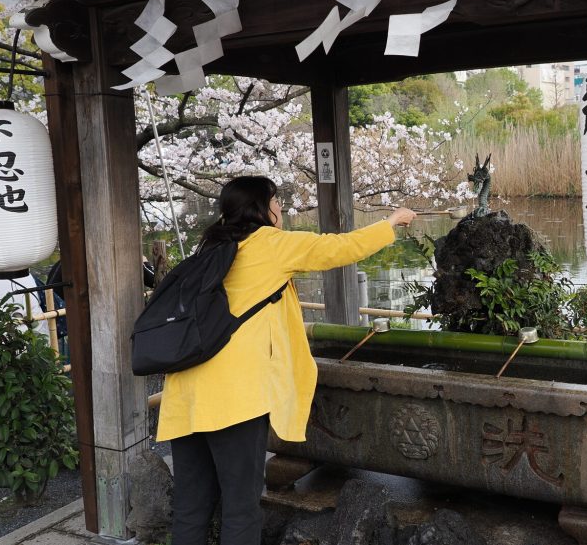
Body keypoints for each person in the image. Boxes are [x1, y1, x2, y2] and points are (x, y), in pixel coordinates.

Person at [155, 176, 415, 545]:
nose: (281, 209)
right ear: (262, 208)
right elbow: (337, 248)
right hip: (234, 401)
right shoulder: (270, 244)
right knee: (241, 508)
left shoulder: (209, 246)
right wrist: (389, 223)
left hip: (184, 394)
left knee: (191, 508)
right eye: (276, 202)